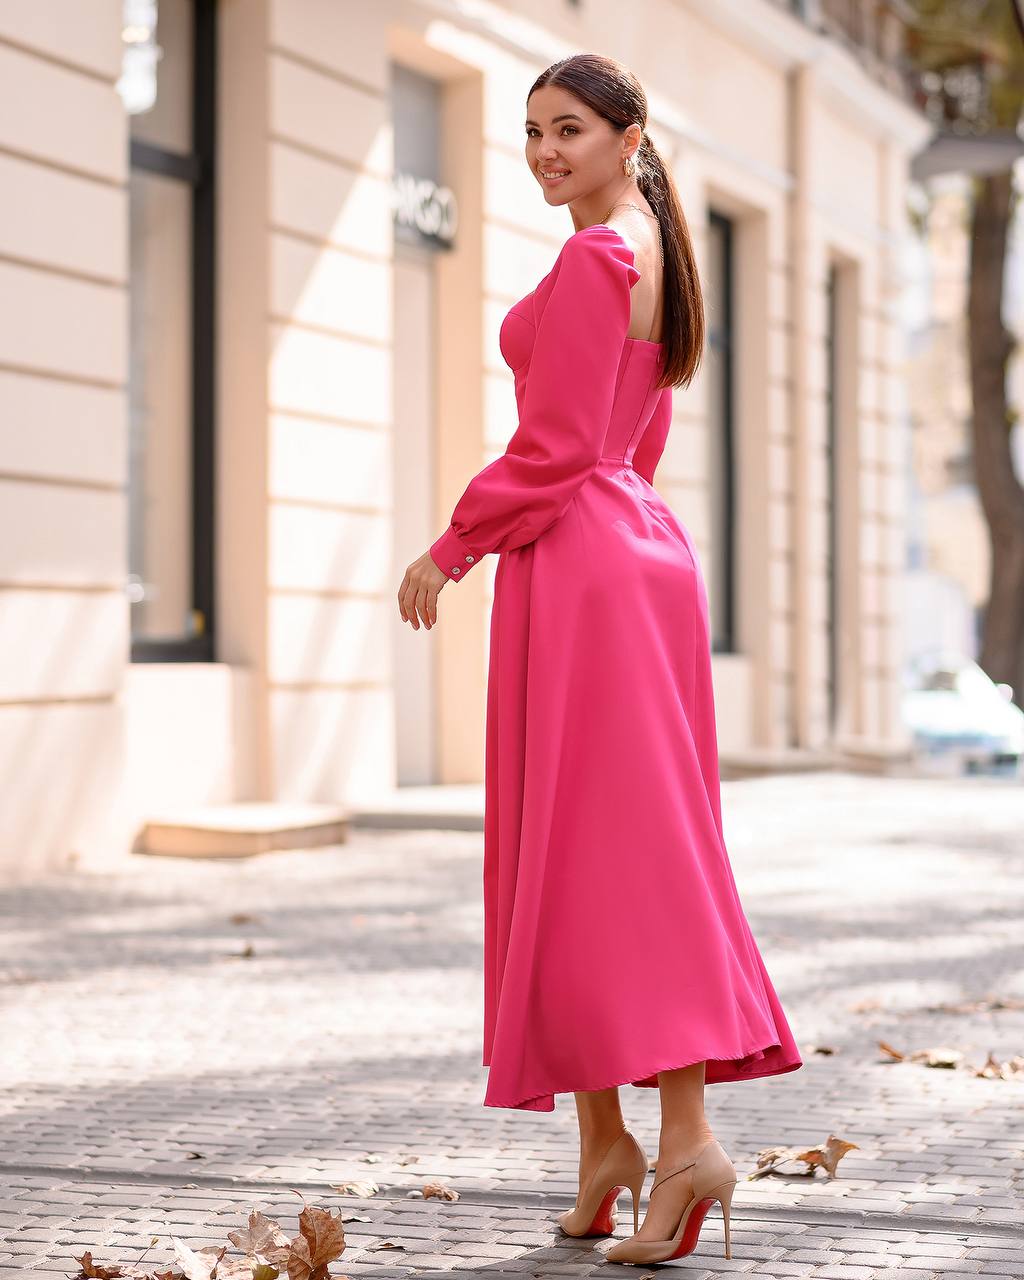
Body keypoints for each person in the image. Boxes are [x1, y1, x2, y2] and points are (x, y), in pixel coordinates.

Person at [397, 52, 802, 1266]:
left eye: (567, 129)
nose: (542, 152)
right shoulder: (658, 250)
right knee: (588, 846)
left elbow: (558, 441)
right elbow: (633, 431)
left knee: (613, 853)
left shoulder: (598, 255)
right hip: (630, 552)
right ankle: (606, 1148)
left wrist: (452, 543)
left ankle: (682, 1145)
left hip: (580, 565)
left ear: (631, 136)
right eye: (529, 133)